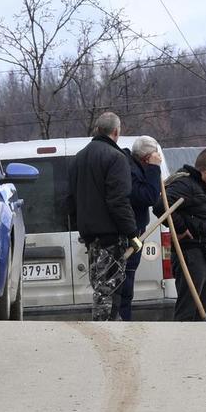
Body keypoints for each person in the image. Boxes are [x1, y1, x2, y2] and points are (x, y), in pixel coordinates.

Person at [66, 112, 140, 321]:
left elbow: (70, 201)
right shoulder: (116, 158)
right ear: (116, 132)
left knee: (100, 288)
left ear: (97, 130)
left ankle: (107, 332)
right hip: (111, 239)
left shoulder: (77, 159)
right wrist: (132, 233)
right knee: (109, 292)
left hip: (91, 239)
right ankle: (105, 337)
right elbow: (119, 201)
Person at [155, 148, 206, 321]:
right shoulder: (185, 184)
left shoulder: (205, 189)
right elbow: (162, 205)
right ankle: (182, 344)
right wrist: (180, 228)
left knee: (204, 311)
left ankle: (201, 345)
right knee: (188, 308)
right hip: (193, 254)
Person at [118, 135, 163, 321]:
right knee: (124, 284)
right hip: (129, 234)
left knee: (128, 281)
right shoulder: (130, 170)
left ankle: (124, 317)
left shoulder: (134, 166)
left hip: (137, 232)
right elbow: (149, 197)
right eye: (155, 157)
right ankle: (122, 320)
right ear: (146, 158)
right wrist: (154, 168)